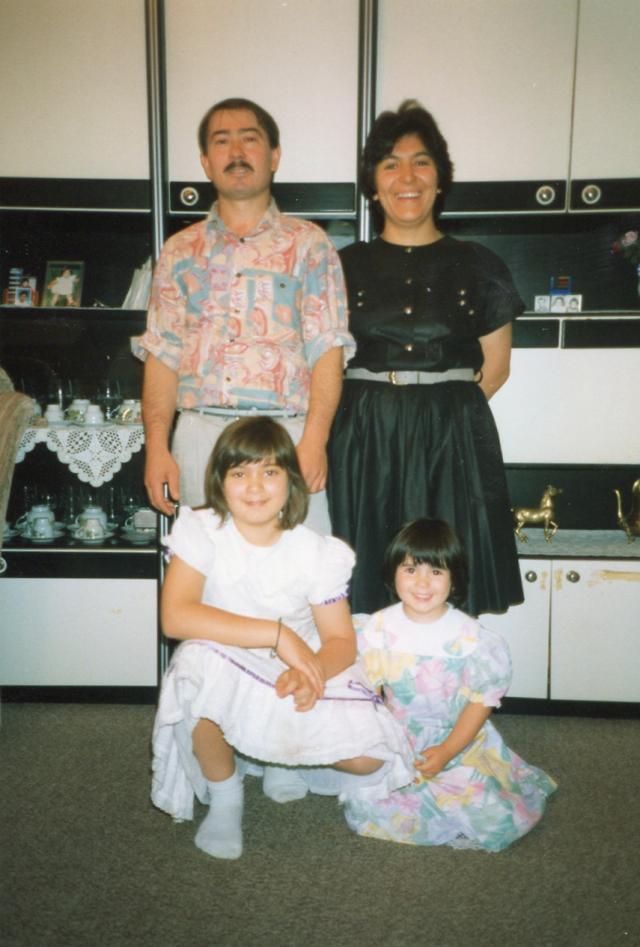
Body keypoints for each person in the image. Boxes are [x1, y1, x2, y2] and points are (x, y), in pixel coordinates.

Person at [151, 417, 414, 860]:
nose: (254, 486)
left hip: (299, 664)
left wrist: (310, 674)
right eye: (239, 473)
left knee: (370, 759)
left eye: (269, 472)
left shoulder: (314, 550)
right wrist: (276, 635)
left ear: (292, 483)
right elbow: (175, 618)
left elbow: (339, 640)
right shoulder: (202, 530)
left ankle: (272, 756)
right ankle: (227, 795)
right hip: (226, 660)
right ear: (219, 482)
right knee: (195, 663)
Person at [327, 100, 524, 615]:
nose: (406, 176)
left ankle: (448, 687)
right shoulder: (340, 266)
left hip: (450, 435)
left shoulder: (481, 264)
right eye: (390, 164)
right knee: (363, 576)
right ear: (373, 183)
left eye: (421, 162)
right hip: (364, 434)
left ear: (441, 178)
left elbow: (496, 368)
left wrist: (436, 413)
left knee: (447, 573)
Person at [133, 97, 354, 535]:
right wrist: (157, 448)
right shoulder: (179, 251)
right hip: (200, 438)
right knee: (206, 578)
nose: (236, 152)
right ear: (206, 162)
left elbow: (328, 349)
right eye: (222, 141)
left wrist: (314, 440)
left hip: (286, 436)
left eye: (249, 139)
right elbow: (162, 354)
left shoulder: (310, 245)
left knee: (297, 583)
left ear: (274, 156)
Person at [344, 518, 557, 852]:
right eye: (411, 570)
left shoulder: (471, 638)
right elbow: (366, 691)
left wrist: (447, 750)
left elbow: (480, 704)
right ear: (392, 573)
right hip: (400, 740)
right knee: (369, 808)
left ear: (454, 577)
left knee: (492, 815)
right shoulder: (377, 628)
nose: (423, 583)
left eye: (437, 572)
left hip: (460, 739)